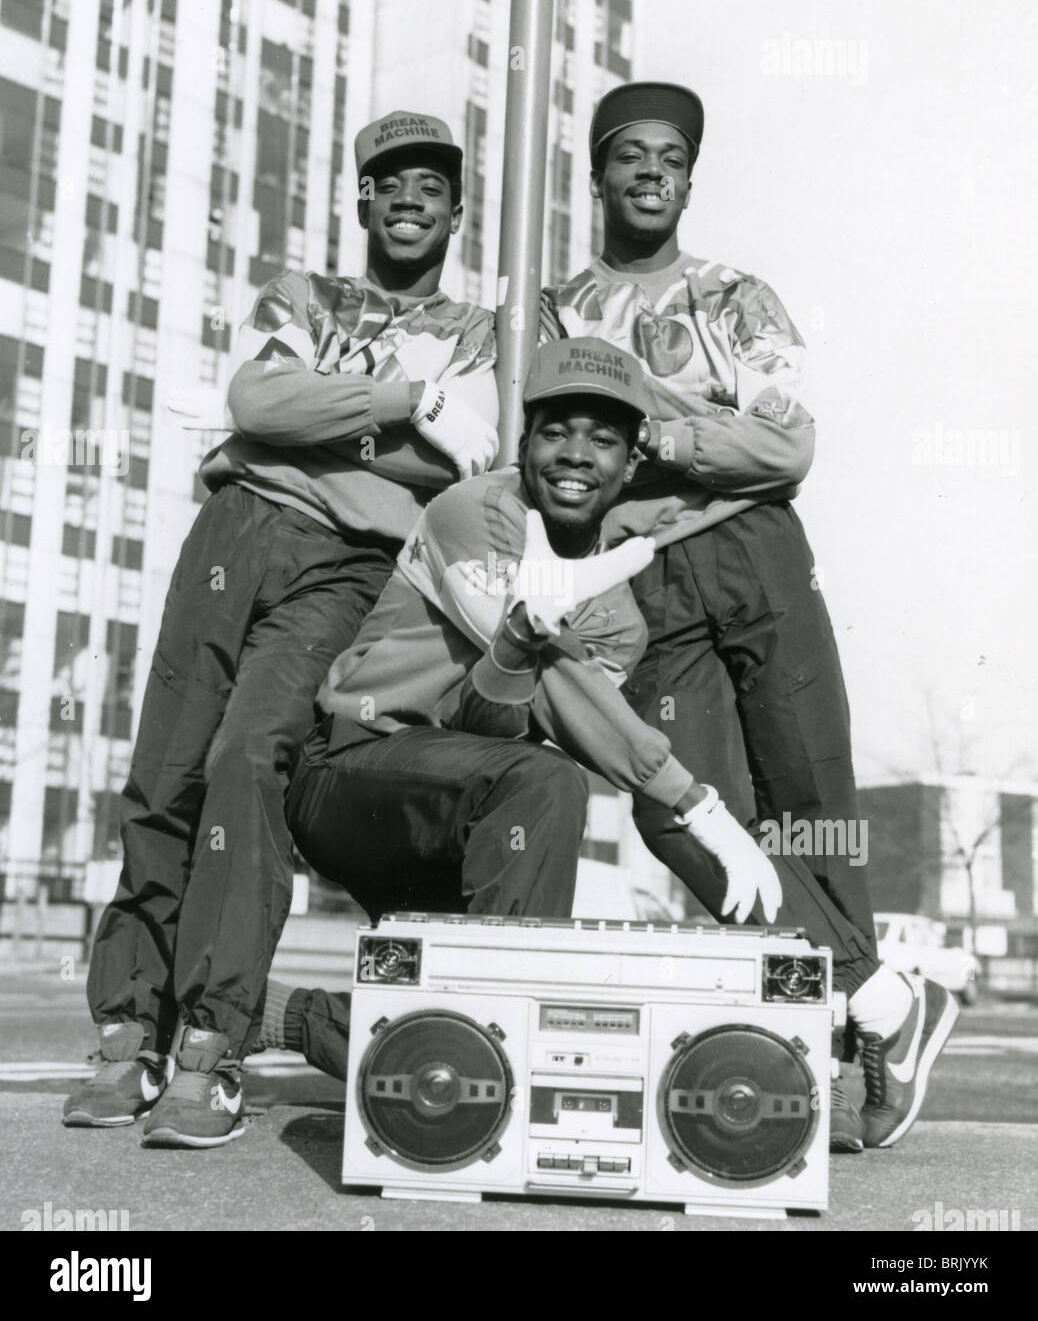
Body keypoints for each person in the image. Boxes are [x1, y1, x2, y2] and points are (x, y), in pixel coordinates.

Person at [257, 338, 957, 1156]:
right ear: (524, 446)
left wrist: (525, 657)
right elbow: (534, 667)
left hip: (456, 815)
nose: (575, 457)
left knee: (485, 1019)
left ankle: (290, 1017)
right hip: (351, 774)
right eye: (557, 432)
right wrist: (693, 802)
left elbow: (501, 721)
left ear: (632, 467)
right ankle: (488, 1082)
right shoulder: (475, 512)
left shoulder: (619, 615)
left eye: (603, 440)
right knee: (542, 789)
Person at [63, 111, 499, 1149]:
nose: (407, 198)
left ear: (454, 209)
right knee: (164, 769)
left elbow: (454, 466)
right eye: (388, 181)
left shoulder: (475, 331)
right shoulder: (307, 293)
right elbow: (257, 401)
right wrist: (402, 400)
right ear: (361, 198)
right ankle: (130, 1024)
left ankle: (211, 1048)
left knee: (248, 760)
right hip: (235, 527)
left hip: (345, 565)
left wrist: (330, 415)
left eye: (429, 185)